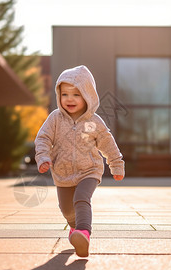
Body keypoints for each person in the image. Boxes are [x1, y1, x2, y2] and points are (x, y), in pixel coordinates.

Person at [35, 65, 125, 257]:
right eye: (65, 94)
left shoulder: (94, 122)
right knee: (67, 210)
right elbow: (43, 138)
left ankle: (84, 233)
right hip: (63, 173)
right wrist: (43, 157)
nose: (70, 99)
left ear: (88, 96)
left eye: (76, 94)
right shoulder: (55, 119)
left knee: (82, 198)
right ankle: (75, 228)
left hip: (89, 171)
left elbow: (108, 144)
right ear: (59, 95)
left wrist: (116, 164)